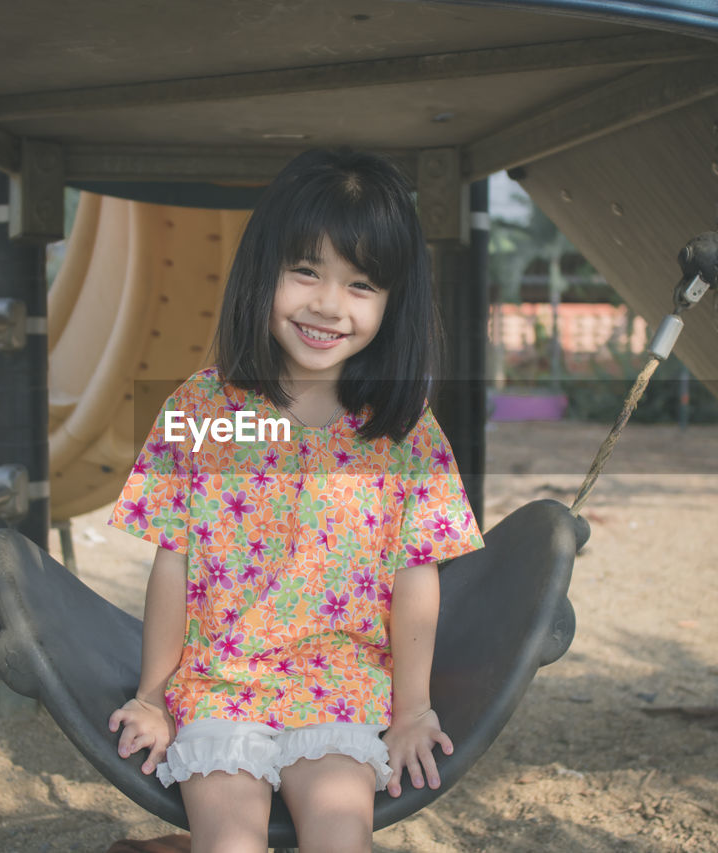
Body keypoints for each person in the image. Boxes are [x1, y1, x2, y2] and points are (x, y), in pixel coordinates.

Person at [106, 148, 484, 853]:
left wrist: (411, 710)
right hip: (221, 684)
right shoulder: (205, 407)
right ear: (263, 269)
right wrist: (153, 695)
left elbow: (416, 578)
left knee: (340, 840)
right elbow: (174, 560)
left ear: (393, 302)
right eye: (305, 269)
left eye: (361, 283)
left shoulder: (401, 430)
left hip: (338, 686)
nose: (327, 305)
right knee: (229, 845)